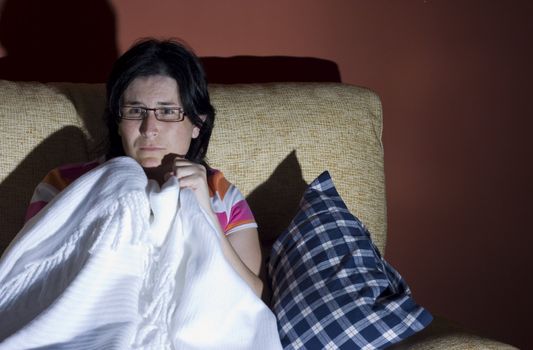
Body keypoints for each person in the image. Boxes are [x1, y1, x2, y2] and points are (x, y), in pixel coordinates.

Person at [24, 38, 263, 297]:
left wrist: (203, 210)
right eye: (136, 111)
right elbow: (29, 281)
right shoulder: (63, 185)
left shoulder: (221, 195)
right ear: (117, 120)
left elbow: (253, 294)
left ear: (198, 124)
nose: (149, 129)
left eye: (168, 111)